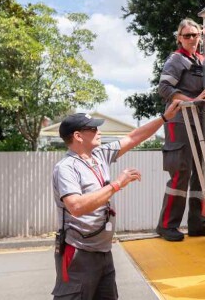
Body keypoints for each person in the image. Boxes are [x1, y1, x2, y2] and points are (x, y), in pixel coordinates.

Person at [51, 101, 182, 299]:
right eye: (93, 129)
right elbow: (76, 206)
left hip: (104, 251)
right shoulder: (66, 168)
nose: (99, 132)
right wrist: (116, 185)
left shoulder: (99, 155)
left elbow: (133, 137)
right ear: (78, 136)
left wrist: (164, 118)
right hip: (79, 253)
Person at [155, 18, 205, 242]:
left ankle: (197, 223)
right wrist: (191, 100)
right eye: (187, 35)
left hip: (198, 122)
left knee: (199, 174)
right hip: (179, 122)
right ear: (179, 38)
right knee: (180, 174)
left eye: (195, 34)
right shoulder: (177, 59)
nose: (192, 39)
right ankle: (167, 226)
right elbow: (164, 88)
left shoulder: (201, 60)